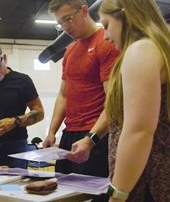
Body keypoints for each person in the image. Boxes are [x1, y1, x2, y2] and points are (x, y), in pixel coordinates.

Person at [68, 0, 170, 201]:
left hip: (150, 180)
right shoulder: (168, 51)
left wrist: (118, 194)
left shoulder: (141, 50)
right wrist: (92, 140)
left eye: (107, 25)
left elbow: (139, 131)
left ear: (125, 15)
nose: (105, 36)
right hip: (169, 176)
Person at [43, 0, 119, 200]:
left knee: (94, 197)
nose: (66, 27)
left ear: (84, 10)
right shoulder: (70, 50)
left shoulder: (106, 42)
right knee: (60, 195)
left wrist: (91, 139)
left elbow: (113, 101)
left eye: (68, 19)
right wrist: (52, 131)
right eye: (61, 23)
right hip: (70, 136)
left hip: (97, 137)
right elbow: (64, 95)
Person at [0, 42, 44, 168]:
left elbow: (39, 112)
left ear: (4, 59)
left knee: (13, 186)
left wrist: (14, 122)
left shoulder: (22, 81)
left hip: (16, 146)